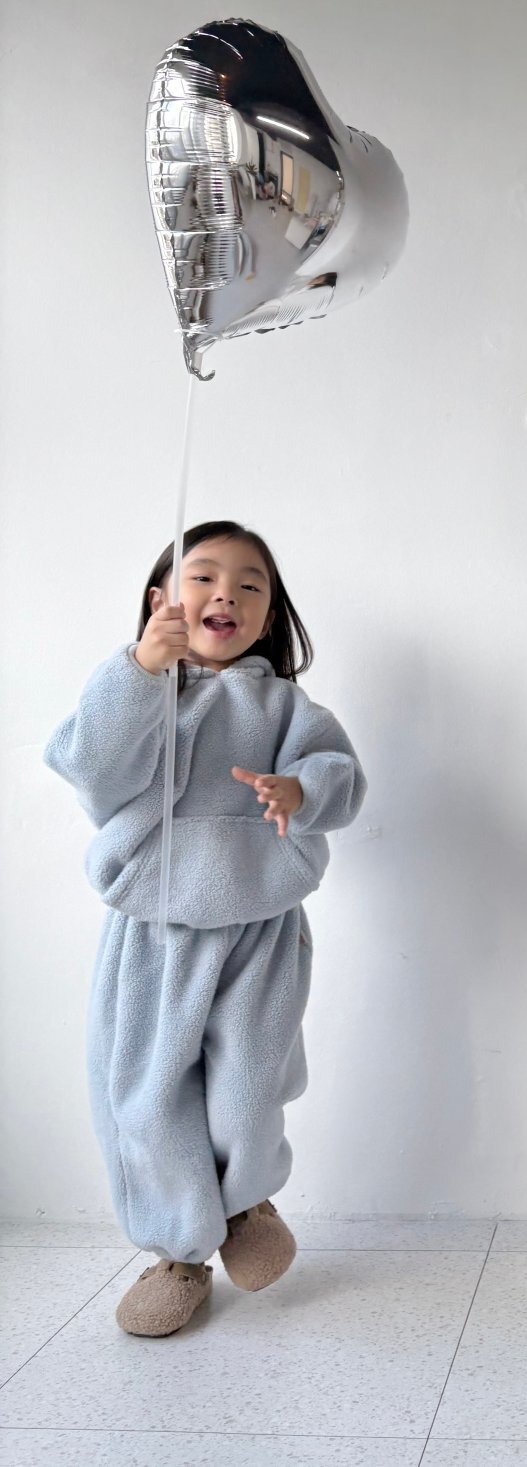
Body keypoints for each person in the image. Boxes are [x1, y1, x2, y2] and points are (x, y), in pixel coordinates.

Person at [44, 521, 366, 1337]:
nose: (227, 593)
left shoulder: (285, 705)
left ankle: (246, 1201)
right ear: (162, 599)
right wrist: (139, 670)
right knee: (147, 1095)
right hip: (154, 930)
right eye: (204, 577)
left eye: (250, 585)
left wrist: (300, 790)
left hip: (260, 926)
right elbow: (91, 768)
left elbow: (342, 775)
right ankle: (179, 1252)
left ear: (269, 616)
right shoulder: (137, 690)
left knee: (248, 1083)